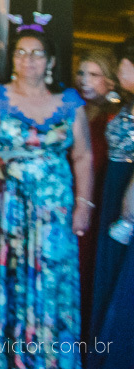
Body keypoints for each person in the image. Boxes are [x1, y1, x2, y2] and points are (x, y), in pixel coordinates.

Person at [0, 18, 92, 369]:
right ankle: (6, 358)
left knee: (51, 279)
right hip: (9, 209)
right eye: (21, 53)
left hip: (55, 213)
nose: (28, 60)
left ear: (50, 62)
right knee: (9, 279)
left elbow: (83, 156)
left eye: (36, 54)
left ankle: (48, 357)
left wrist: (85, 204)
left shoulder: (69, 102)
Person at [90, 38, 134, 356]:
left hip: (128, 188)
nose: (120, 69)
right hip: (113, 184)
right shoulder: (123, 101)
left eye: (124, 64)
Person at [76, 49, 121, 325]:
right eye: (81, 73)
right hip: (64, 194)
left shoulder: (116, 118)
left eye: (94, 75)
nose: (84, 80)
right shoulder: (70, 108)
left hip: (101, 201)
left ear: (111, 81)